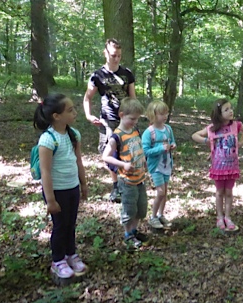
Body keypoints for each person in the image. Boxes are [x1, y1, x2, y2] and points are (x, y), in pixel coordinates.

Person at [33, 93, 88, 279]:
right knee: (60, 226)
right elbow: (46, 172)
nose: (75, 113)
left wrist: (84, 183)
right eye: (70, 110)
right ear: (56, 116)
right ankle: (58, 260)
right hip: (57, 191)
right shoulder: (48, 140)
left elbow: (78, 161)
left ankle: (71, 254)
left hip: (72, 188)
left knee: (70, 224)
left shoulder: (74, 135)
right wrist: (50, 200)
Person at [83, 38, 136, 203]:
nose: (116, 58)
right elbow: (88, 97)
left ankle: (128, 182)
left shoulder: (127, 74)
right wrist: (88, 115)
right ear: (105, 53)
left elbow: (132, 97)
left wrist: (135, 115)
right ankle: (116, 186)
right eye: (113, 55)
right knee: (108, 152)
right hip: (107, 119)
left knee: (128, 150)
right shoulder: (97, 75)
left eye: (119, 55)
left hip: (125, 118)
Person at [192, 99, 243, 231]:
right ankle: (219, 217)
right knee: (219, 192)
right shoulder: (212, 128)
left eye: (231, 108)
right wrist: (206, 140)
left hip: (232, 166)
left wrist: (240, 143)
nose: (230, 111)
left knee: (229, 192)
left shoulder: (236, 125)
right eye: (226, 109)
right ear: (219, 113)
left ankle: (228, 217)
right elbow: (195, 135)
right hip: (218, 167)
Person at [102, 97, 149, 249]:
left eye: (137, 119)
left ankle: (134, 231)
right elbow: (105, 156)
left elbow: (137, 149)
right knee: (129, 208)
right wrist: (123, 164)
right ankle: (128, 234)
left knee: (141, 208)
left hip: (139, 178)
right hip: (127, 180)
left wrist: (144, 161)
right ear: (121, 115)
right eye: (132, 118)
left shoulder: (135, 130)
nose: (135, 122)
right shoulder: (116, 136)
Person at [142, 101, 177, 229]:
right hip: (155, 166)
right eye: (161, 114)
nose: (165, 116)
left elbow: (172, 141)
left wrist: (172, 145)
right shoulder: (149, 132)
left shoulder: (168, 129)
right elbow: (145, 151)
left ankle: (161, 214)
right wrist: (161, 148)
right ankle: (153, 217)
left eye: (166, 113)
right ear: (153, 115)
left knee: (165, 192)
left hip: (167, 164)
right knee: (160, 192)